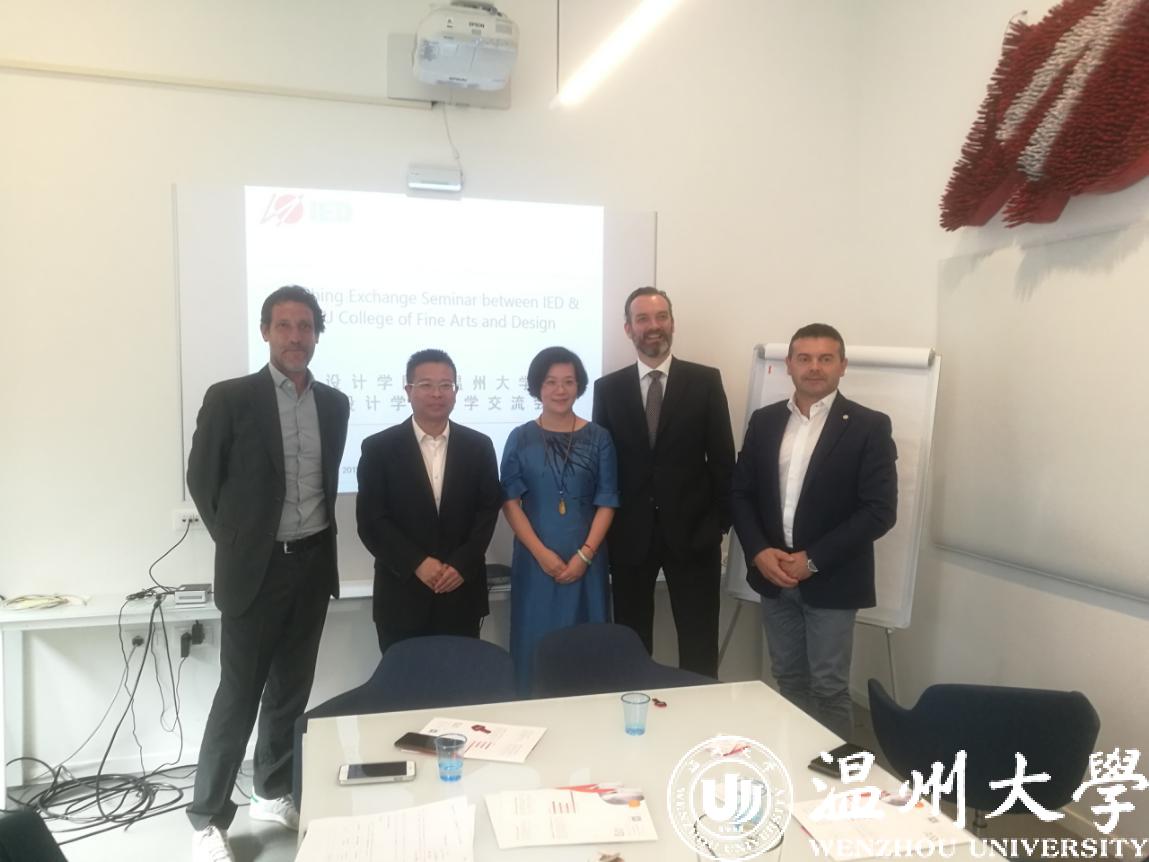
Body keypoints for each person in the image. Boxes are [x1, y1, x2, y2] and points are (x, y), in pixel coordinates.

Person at [186, 285, 349, 862]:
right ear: (265, 332)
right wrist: (240, 544)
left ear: (317, 334)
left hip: (312, 565)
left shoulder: (334, 404)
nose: (296, 337)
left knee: (290, 691)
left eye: (306, 326)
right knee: (238, 696)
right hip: (255, 571)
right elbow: (202, 481)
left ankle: (272, 791)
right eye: (284, 325)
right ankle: (207, 818)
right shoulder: (231, 398)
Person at [730, 323, 897, 740]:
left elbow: (879, 511)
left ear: (843, 365)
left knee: (829, 688)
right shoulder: (765, 421)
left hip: (833, 579)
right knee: (788, 681)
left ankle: (835, 774)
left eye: (825, 358)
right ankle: (795, 764)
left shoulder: (869, 426)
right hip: (774, 576)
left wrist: (813, 560)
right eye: (804, 358)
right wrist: (758, 552)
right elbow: (740, 494)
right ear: (789, 365)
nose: (814, 367)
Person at [592, 287, 735, 678]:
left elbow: (723, 459)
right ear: (628, 328)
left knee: (698, 639)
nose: (653, 326)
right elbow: (604, 466)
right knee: (632, 641)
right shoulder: (608, 388)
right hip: (629, 536)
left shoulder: (705, 381)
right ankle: (635, 707)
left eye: (661, 317)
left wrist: (719, 525)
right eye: (642, 319)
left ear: (672, 322)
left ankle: (700, 708)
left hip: (694, 535)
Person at [356, 349, 501, 654]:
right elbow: (372, 520)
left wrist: (461, 565)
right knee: (404, 681)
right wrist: (417, 564)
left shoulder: (479, 446)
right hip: (402, 595)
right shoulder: (378, 448)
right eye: (426, 385)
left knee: (459, 679)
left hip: (461, 592)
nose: (437, 394)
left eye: (446, 385)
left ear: (456, 391)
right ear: (408, 390)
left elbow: (487, 513)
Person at [501, 346, 618, 693]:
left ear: (579, 386)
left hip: (587, 561)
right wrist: (541, 554)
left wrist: (585, 555)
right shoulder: (520, 438)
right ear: (537, 386)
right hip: (535, 562)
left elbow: (607, 501)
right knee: (534, 647)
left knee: (588, 649)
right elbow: (510, 502)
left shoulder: (599, 438)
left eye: (568, 381)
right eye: (550, 382)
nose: (560, 389)